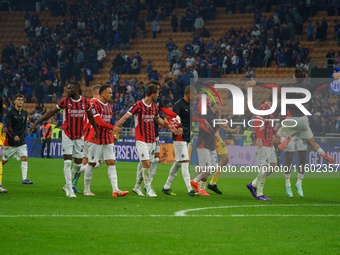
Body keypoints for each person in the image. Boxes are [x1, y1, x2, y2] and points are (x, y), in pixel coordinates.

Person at [28, 82, 98, 198]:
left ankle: (67, 185)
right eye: (67, 88)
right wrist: (36, 123)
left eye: (70, 88)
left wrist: (96, 130)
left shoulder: (85, 102)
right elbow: (51, 112)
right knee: (67, 162)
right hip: (67, 134)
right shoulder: (64, 101)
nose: (67, 90)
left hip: (80, 136)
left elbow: (90, 116)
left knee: (77, 164)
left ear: (76, 90)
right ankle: (69, 189)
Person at [115, 84, 174, 197]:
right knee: (146, 163)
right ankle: (149, 189)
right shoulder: (138, 105)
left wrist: (167, 125)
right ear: (152, 94)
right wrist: (114, 129)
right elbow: (125, 117)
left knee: (147, 165)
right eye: (157, 94)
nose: (158, 95)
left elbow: (157, 119)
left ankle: (137, 187)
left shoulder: (154, 107)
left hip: (151, 139)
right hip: (141, 138)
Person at [83, 84, 127, 197]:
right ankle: (86, 189)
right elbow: (98, 122)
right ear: (102, 94)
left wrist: (113, 133)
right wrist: (114, 128)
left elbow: (107, 122)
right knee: (92, 163)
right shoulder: (95, 105)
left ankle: (115, 190)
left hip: (107, 137)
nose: (111, 95)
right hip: (96, 137)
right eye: (109, 93)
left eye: (111, 93)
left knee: (111, 162)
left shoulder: (109, 106)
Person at [135, 81, 178, 194]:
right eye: (157, 90)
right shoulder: (143, 103)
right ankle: (142, 184)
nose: (159, 93)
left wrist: (173, 116)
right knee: (145, 161)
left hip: (155, 134)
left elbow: (164, 111)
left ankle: (146, 185)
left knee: (155, 159)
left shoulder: (157, 102)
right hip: (144, 135)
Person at [162, 86, 200, 196]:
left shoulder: (190, 105)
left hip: (187, 136)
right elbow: (173, 118)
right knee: (185, 162)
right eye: (195, 94)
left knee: (178, 162)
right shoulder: (178, 105)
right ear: (189, 94)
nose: (196, 97)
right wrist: (179, 127)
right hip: (179, 137)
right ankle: (189, 189)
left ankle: (166, 187)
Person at [72, 85, 102, 191]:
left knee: (84, 160)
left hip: (84, 134)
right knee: (97, 162)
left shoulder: (86, 103)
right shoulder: (98, 105)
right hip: (93, 136)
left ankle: (72, 184)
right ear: (100, 93)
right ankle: (71, 179)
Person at [2, 94, 32, 192]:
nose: (20, 101)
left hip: (21, 140)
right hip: (10, 141)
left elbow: (23, 126)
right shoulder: (10, 113)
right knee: (4, 161)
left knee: (25, 157)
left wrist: (22, 136)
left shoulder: (24, 113)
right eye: (18, 100)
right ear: (14, 101)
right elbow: (7, 126)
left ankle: (24, 179)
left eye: (22, 100)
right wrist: (13, 135)